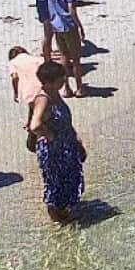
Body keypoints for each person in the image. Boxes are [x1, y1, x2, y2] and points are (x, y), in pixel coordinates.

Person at [27, 61, 86, 223]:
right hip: (53, 149)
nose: (63, 81)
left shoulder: (54, 93)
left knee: (69, 178)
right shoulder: (43, 99)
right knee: (54, 183)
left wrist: (77, 141)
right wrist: (50, 135)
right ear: (49, 82)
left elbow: (65, 122)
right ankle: (57, 219)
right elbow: (35, 125)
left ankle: (65, 213)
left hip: (66, 144)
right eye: (61, 79)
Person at [46, 0, 86, 97]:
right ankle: (79, 87)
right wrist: (79, 26)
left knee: (64, 57)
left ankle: (66, 88)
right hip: (68, 25)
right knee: (75, 59)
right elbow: (71, 10)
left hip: (56, 26)